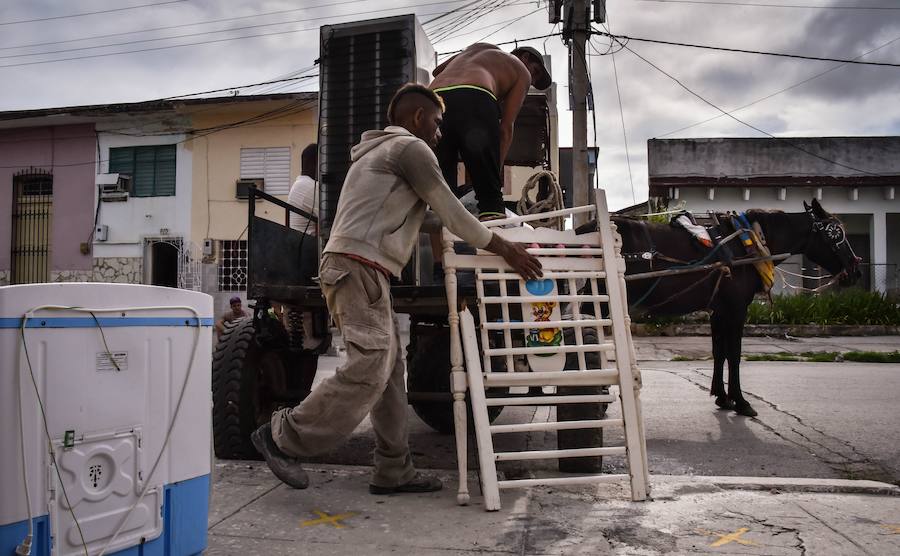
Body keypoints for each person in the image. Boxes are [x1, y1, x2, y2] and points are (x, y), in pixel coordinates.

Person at [251, 83, 542, 495]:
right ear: (417, 118)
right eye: (438, 124)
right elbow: (452, 212)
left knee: (389, 371)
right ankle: (282, 436)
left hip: (363, 268)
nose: (441, 134)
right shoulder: (410, 149)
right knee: (369, 366)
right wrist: (504, 247)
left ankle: (393, 469)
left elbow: (428, 220)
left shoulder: (378, 156)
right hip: (358, 266)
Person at [429, 44, 552, 220]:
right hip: (475, 94)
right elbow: (506, 128)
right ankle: (492, 224)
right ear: (524, 57)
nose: (532, 80)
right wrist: (494, 174)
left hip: (434, 100)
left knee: (440, 192)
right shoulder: (521, 71)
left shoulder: (478, 48)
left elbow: (437, 71)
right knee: (490, 199)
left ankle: (438, 244)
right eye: (535, 72)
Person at [288, 143, 319, 285]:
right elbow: (335, 217)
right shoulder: (308, 187)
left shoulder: (300, 184)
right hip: (307, 255)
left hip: (302, 253)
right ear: (313, 163)